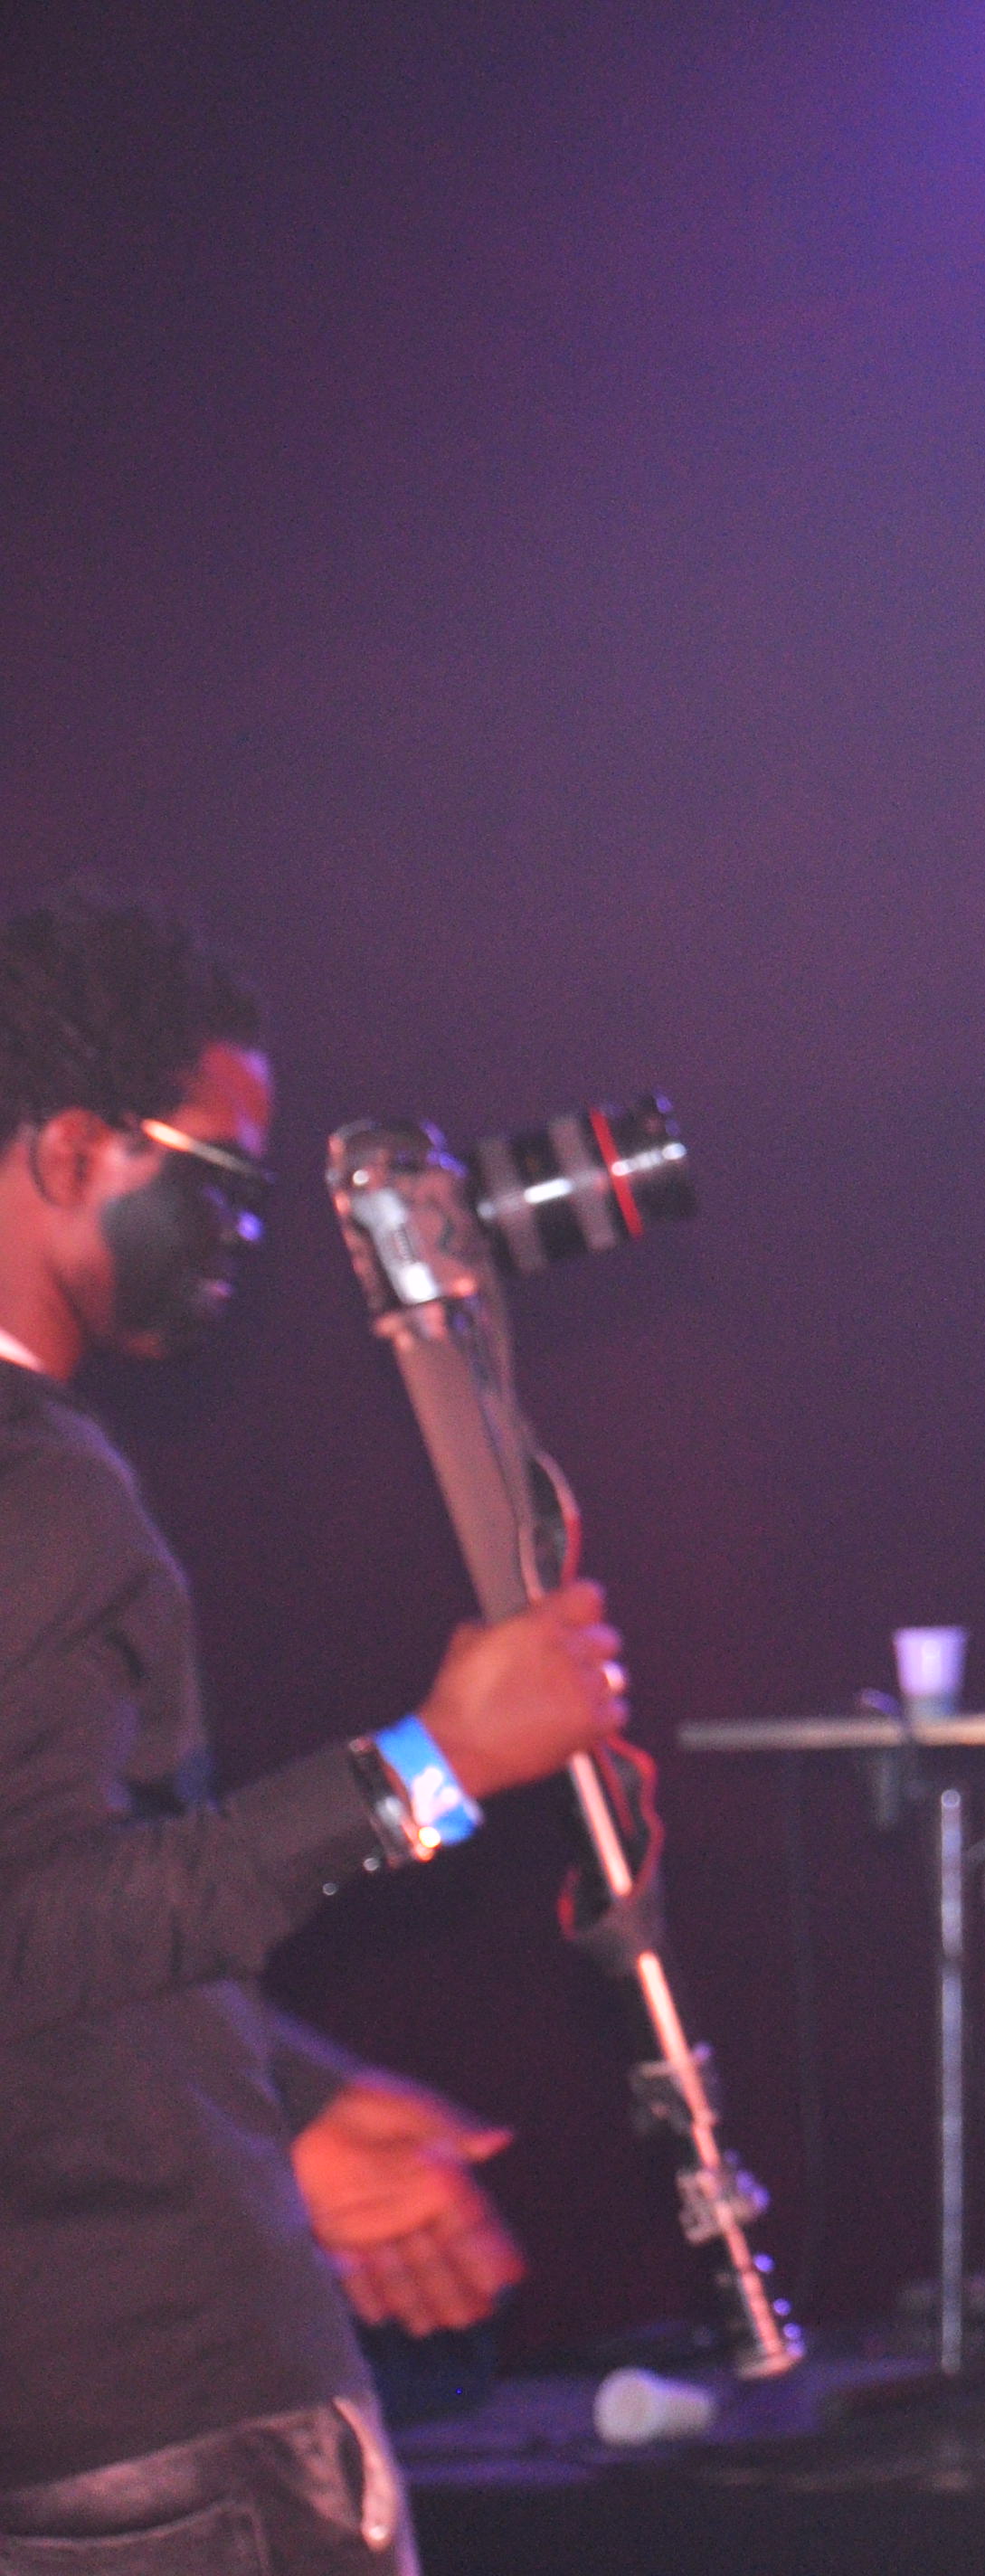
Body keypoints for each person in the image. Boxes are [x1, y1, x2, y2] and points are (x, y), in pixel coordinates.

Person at [0, 893, 629, 2575]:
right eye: (214, 1176)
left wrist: (278, 2096)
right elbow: (30, 1921)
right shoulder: (41, 1485)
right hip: (162, 2417)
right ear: (67, 1150)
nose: (247, 1236)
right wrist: (429, 1764)